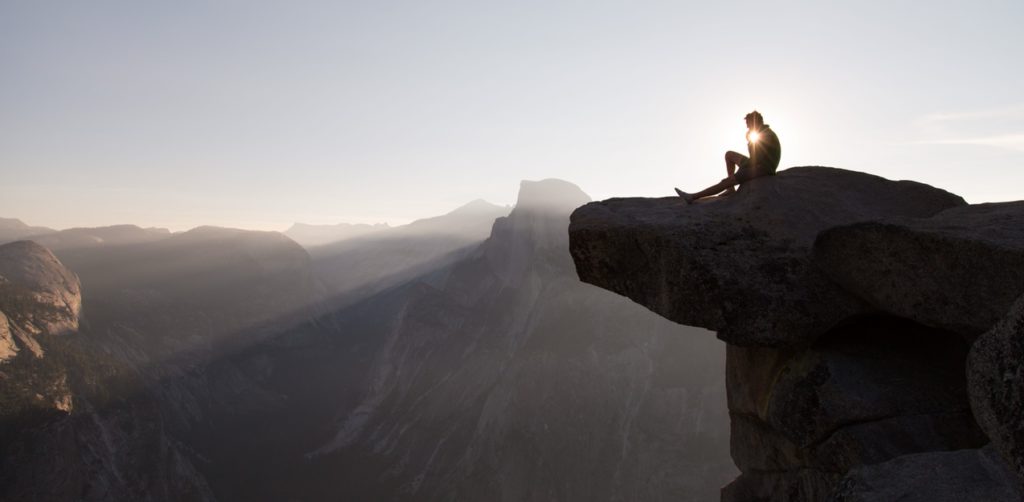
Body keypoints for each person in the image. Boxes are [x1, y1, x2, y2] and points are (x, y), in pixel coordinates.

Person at [675, 110, 781, 204]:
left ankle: (692, 197)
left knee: (727, 181)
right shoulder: (761, 133)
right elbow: (754, 157)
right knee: (729, 154)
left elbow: (757, 159)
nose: (747, 127)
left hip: (763, 168)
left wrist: (740, 171)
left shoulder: (765, 135)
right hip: (757, 162)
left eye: (748, 124)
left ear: (755, 122)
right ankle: (731, 189)